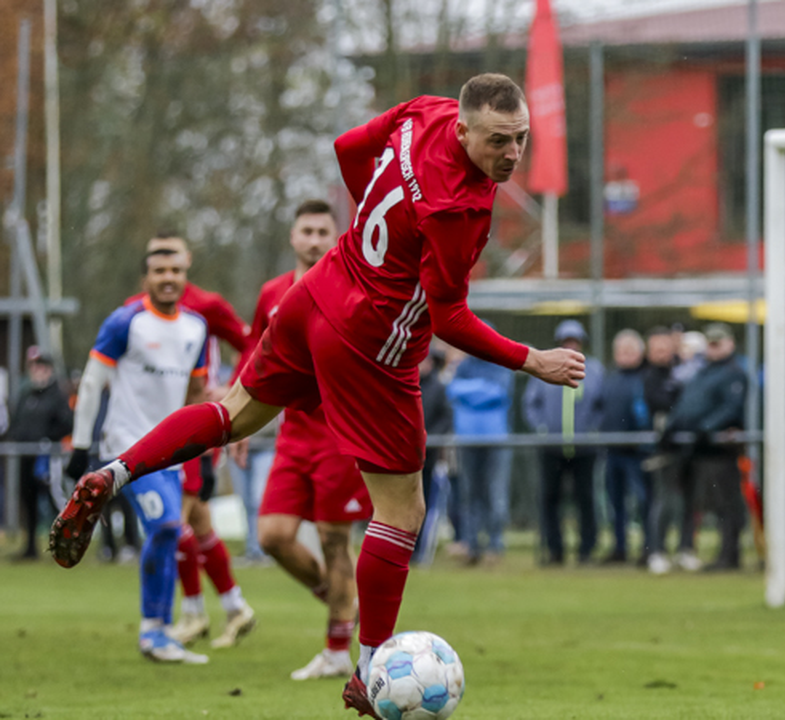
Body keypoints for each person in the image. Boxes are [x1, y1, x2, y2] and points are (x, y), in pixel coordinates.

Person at [51, 73, 584, 716]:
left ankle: (113, 473)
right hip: (373, 344)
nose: (512, 153)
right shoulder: (459, 210)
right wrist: (533, 360)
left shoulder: (425, 111)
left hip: (319, 292)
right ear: (466, 130)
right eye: (499, 140)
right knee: (402, 511)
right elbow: (449, 319)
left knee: (231, 415)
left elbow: (347, 147)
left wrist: (370, 239)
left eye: (521, 138)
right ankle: (369, 671)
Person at [228, 199, 374, 680]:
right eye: (306, 231)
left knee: (335, 540)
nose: (313, 241)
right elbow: (254, 356)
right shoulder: (272, 293)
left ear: (335, 238)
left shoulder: (353, 288)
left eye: (321, 232)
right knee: (271, 536)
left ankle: (336, 651)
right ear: (292, 237)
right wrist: (236, 420)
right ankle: (340, 602)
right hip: (292, 434)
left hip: (340, 434)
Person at [64, 247, 210, 663]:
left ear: (185, 276)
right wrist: (80, 446)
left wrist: (203, 455)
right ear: (146, 278)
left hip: (172, 454)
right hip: (126, 448)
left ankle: (160, 631)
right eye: (159, 270)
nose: (168, 277)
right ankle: (154, 631)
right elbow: (92, 382)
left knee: (170, 533)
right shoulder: (125, 321)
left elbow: (196, 395)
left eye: (176, 270)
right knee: (166, 526)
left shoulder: (196, 327)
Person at [133, 234, 256, 651]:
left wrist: (232, 391)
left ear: (187, 260)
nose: (167, 266)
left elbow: (250, 344)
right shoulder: (137, 309)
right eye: (158, 257)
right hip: (152, 433)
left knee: (175, 523)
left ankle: (192, 612)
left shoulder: (208, 305)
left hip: (191, 432)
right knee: (198, 523)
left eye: (174, 257)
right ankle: (234, 606)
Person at [657, 324, 747, 571]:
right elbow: (686, 403)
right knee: (698, 502)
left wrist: (705, 428)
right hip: (695, 448)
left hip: (718, 450)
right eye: (711, 343)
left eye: (718, 343)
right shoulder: (703, 372)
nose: (713, 348)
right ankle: (701, 553)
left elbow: (731, 408)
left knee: (725, 503)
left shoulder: (734, 373)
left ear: (730, 343)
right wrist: (671, 427)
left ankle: (729, 556)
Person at [524, 319, 604, 567]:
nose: (571, 345)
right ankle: (554, 550)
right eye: (566, 341)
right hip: (552, 448)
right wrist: (542, 428)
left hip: (584, 449)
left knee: (585, 499)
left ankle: (587, 550)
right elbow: (530, 404)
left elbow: (602, 405)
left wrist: (593, 429)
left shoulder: (595, 370)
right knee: (550, 498)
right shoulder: (544, 367)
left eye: (575, 341)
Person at [446, 324, 514, 565]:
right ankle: (471, 545)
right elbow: (452, 390)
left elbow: (499, 392)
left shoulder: (501, 364)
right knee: (469, 495)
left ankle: (495, 545)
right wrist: (483, 389)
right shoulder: (464, 366)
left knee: (496, 494)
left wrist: (469, 391)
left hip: (496, 440)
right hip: (467, 440)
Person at [11, 347, 72, 560]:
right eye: (34, 366)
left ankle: (69, 542)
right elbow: (16, 422)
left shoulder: (56, 395)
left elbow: (66, 422)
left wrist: (47, 438)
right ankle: (30, 547)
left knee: (56, 500)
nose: (37, 370)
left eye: (41, 366)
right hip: (26, 457)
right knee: (28, 501)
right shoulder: (26, 394)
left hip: (47, 458)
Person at [597, 328, 651, 564]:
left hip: (637, 452)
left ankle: (648, 548)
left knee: (642, 501)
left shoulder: (645, 378)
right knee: (615, 503)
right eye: (621, 350)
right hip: (613, 450)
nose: (625, 354)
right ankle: (619, 548)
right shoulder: (611, 379)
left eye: (630, 350)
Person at [640, 326, 685, 574]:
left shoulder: (681, 371)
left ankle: (684, 550)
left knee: (682, 501)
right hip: (659, 449)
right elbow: (659, 402)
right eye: (656, 348)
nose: (661, 353)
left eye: (664, 347)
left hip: (683, 447)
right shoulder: (649, 377)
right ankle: (655, 551)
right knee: (661, 500)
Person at [415, 345, 453, 564]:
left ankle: (420, 549)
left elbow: (446, 417)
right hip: (405, 454)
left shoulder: (438, 388)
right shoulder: (404, 384)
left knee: (425, 502)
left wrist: (429, 439)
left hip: (428, 455)